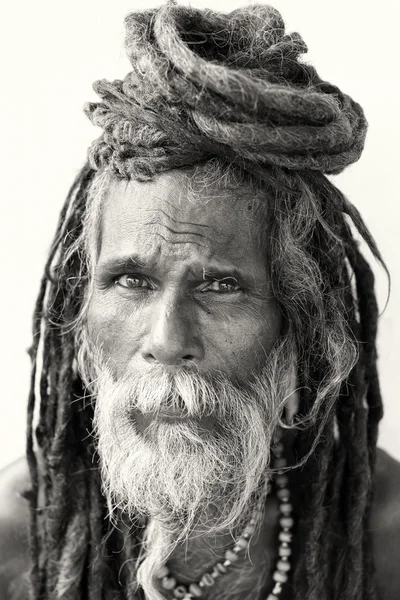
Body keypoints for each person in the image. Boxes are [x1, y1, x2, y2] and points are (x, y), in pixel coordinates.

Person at [0, 2, 399, 599]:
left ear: (298, 329)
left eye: (221, 286)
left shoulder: (383, 527)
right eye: (131, 282)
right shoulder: (13, 537)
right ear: (80, 326)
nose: (166, 340)